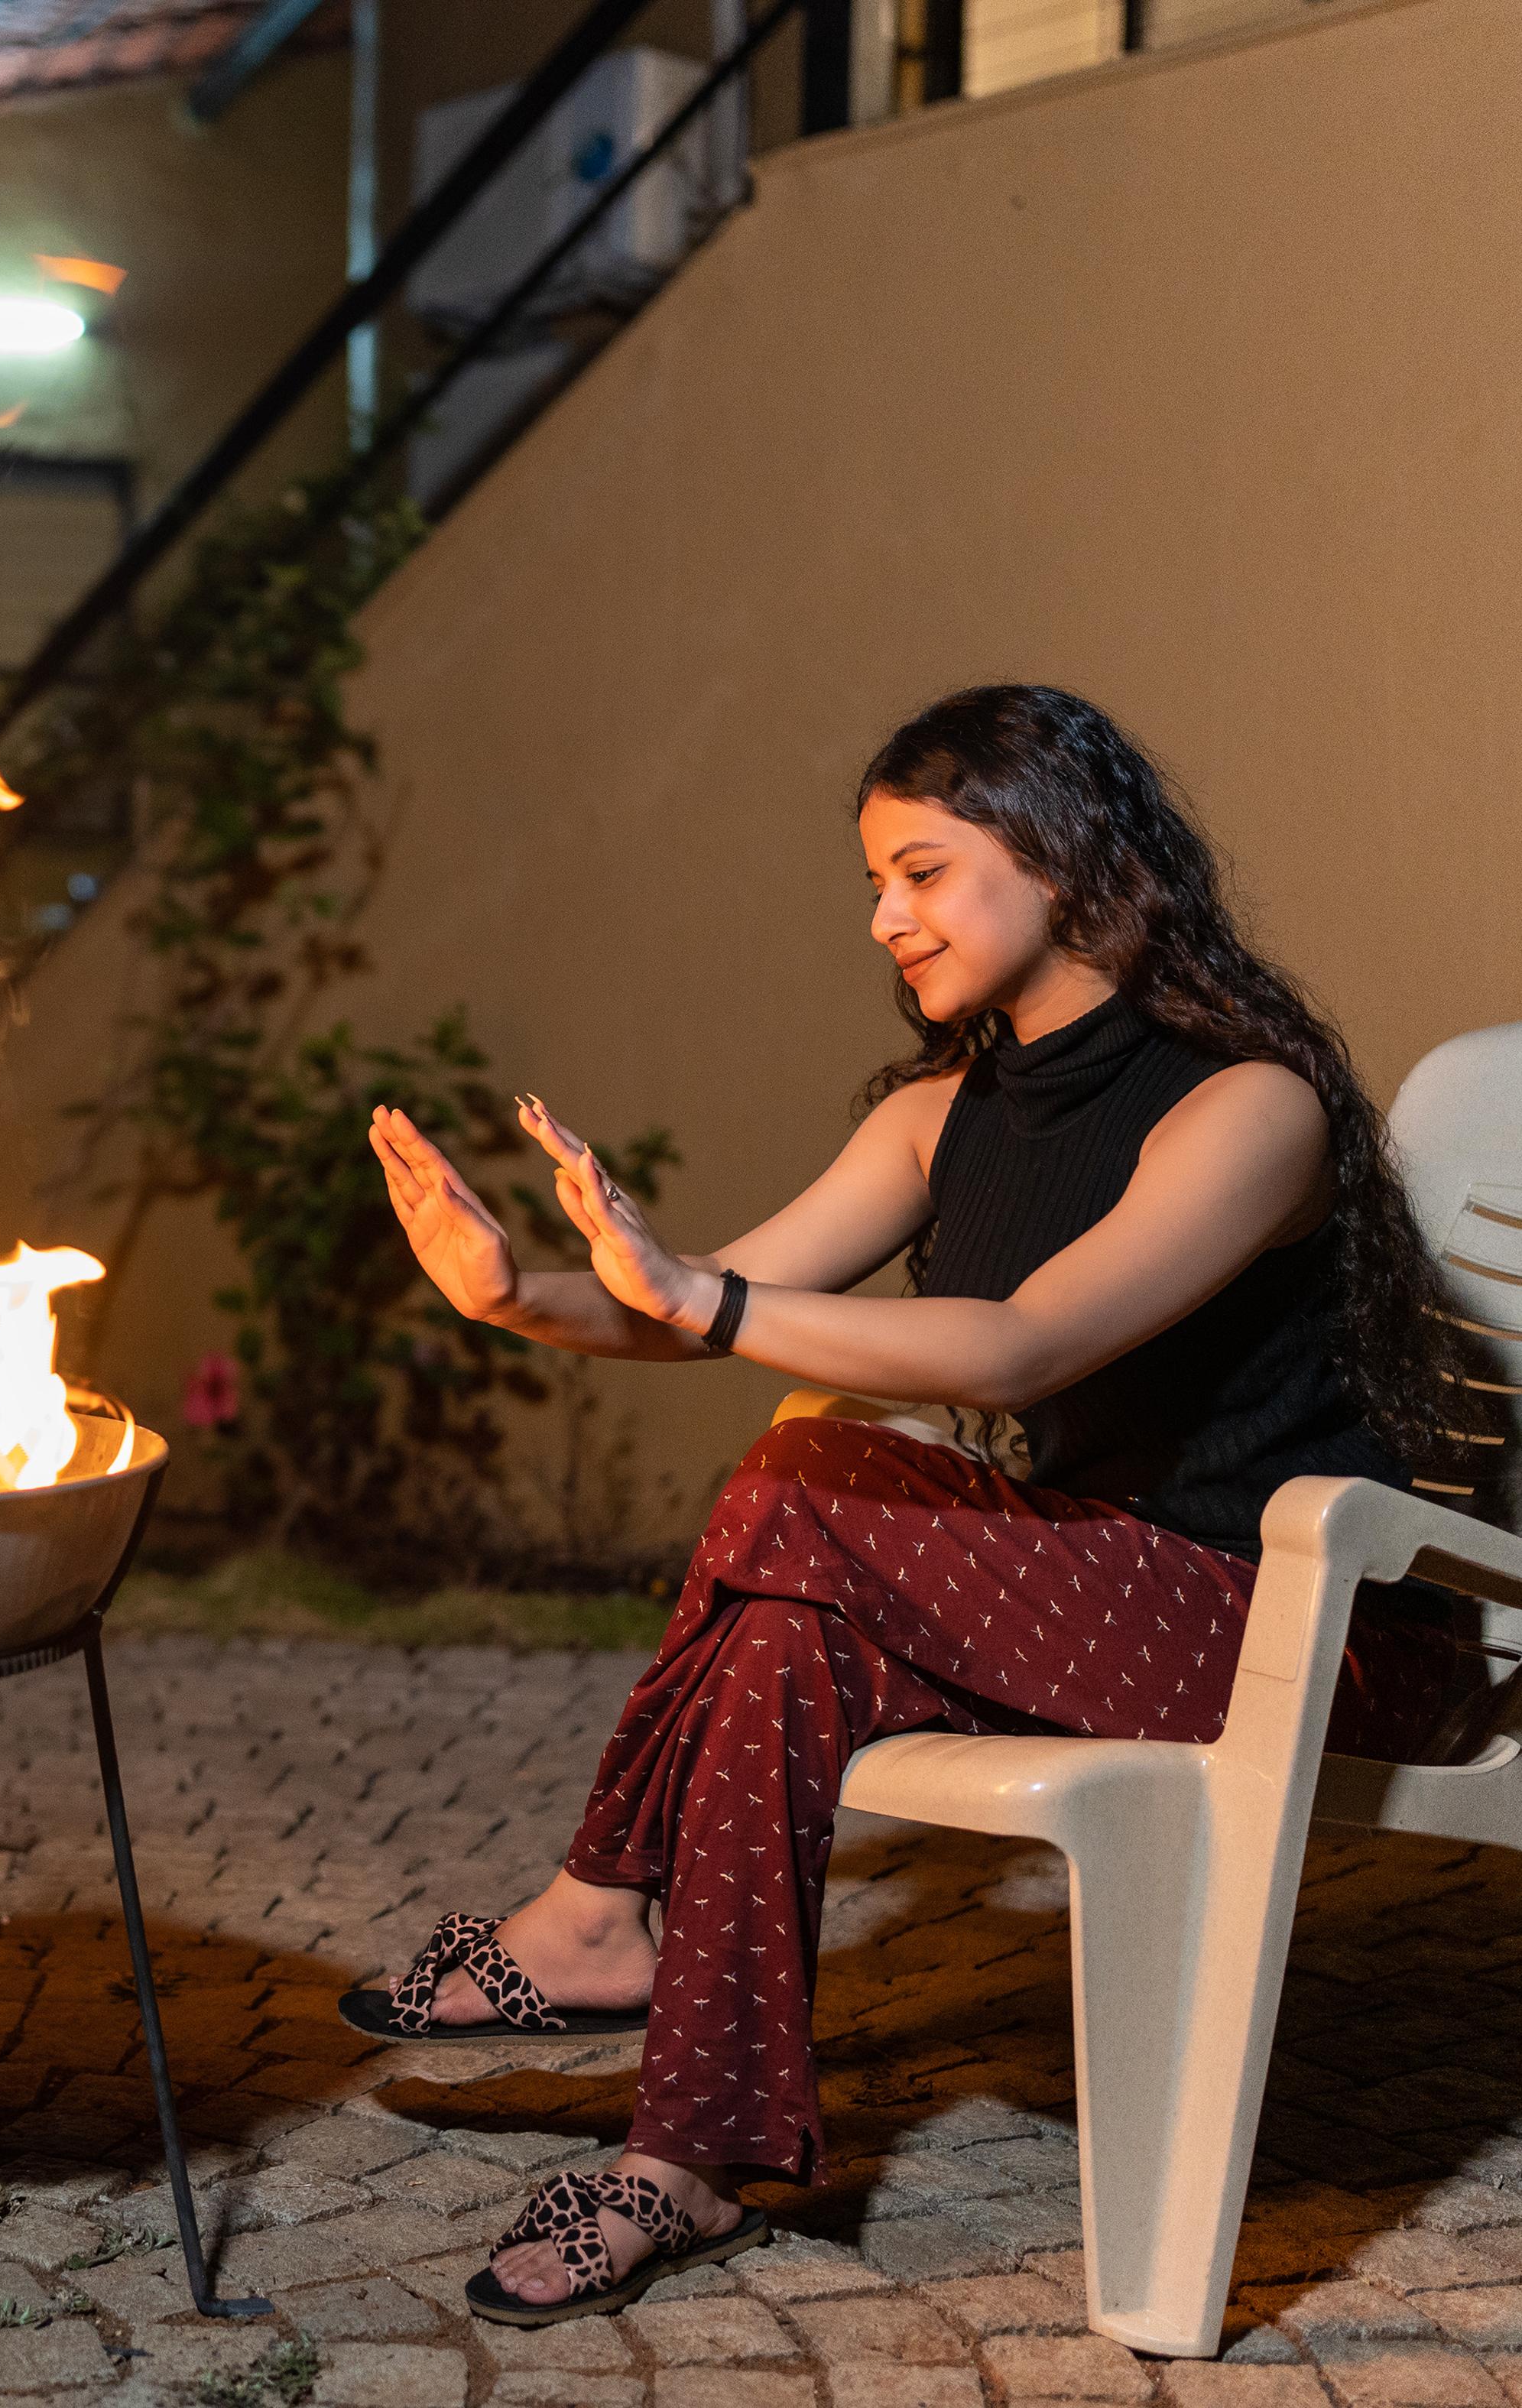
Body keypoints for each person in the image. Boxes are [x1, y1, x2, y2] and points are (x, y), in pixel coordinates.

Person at [350, 686, 1487, 2325]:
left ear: (1061, 859)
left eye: (923, 872)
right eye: (875, 881)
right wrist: (514, 1294)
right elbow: (702, 1291)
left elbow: (1021, 1347)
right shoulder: (938, 1116)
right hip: (1089, 1602)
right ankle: (685, 2158)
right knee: (778, 1647)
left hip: (1320, 1629)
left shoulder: (1251, 1107)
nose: (885, 918)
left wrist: (696, 1299)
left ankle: (598, 1902)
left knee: (802, 1475)